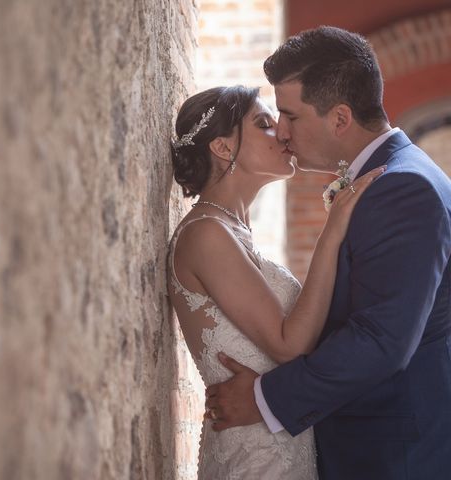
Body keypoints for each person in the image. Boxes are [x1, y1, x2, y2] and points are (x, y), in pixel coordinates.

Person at [204, 26, 451, 480]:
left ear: (339, 119)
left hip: (394, 458)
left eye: (290, 116)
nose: (281, 131)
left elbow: (381, 339)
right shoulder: (388, 178)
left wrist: (263, 398)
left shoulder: (404, 188)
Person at [168, 84, 384, 478]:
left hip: (284, 438)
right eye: (265, 124)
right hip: (254, 456)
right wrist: (331, 232)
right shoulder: (206, 234)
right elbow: (289, 345)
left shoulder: (234, 230)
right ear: (221, 147)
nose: (283, 133)